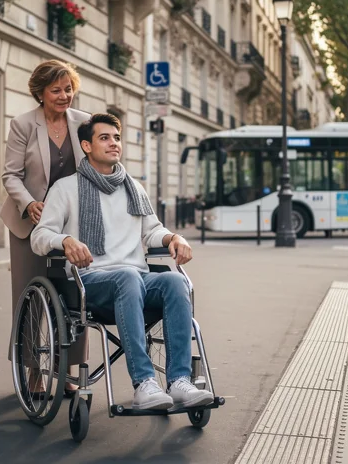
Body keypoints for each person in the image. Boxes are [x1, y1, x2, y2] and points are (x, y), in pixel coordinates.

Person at [31, 114, 214, 410]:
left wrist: (173, 239)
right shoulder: (66, 188)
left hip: (137, 280)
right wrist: (64, 241)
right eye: (105, 138)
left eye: (117, 137)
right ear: (87, 146)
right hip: (90, 283)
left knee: (175, 280)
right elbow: (40, 236)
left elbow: (152, 230)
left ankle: (180, 381)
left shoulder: (134, 188)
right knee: (127, 276)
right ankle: (144, 383)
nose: (114, 143)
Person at [1, 60, 91, 384]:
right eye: (57, 90)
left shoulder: (84, 123)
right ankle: (34, 369)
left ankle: (68, 369)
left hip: (71, 223)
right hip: (28, 224)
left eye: (69, 89)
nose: (65, 95)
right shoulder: (24, 124)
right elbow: (10, 175)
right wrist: (29, 203)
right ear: (40, 92)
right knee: (30, 298)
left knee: (74, 295)